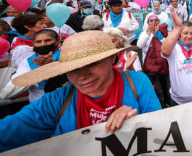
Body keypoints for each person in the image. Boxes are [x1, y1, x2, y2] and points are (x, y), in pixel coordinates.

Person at [0, 30, 161, 152]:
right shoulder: (57, 101)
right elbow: (8, 131)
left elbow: (161, 128)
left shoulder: (137, 82)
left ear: (112, 58)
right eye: (73, 69)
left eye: (93, 64)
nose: (83, 76)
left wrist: (139, 122)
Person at [0, 30, 61, 102]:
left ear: (57, 41)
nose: (43, 44)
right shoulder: (28, 61)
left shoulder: (66, 54)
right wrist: (40, 71)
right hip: (39, 105)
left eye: (47, 40)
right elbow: (7, 93)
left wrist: (54, 67)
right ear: (33, 44)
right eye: (38, 42)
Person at [137, 15, 170, 107]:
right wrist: (149, 33)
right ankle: (155, 101)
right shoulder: (144, 34)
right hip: (150, 65)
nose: (153, 22)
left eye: (156, 20)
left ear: (159, 22)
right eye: (151, 21)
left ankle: (166, 100)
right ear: (147, 23)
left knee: (164, 84)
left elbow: (167, 45)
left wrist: (159, 35)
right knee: (151, 85)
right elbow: (139, 45)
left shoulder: (163, 32)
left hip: (162, 64)